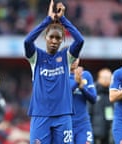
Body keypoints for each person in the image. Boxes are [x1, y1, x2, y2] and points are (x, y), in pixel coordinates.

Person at [23, 0, 84, 143]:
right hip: (40, 114)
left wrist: (62, 19)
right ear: (45, 38)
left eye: (58, 38)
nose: (54, 41)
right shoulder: (36, 57)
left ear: (62, 40)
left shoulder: (66, 57)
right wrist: (48, 20)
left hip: (63, 115)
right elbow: (27, 42)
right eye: (51, 37)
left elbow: (80, 41)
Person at [70, 58, 97, 144]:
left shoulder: (86, 75)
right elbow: (61, 96)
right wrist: (76, 83)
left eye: (76, 58)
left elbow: (94, 99)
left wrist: (82, 88)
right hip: (66, 124)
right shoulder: (60, 75)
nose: (74, 60)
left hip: (83, 124)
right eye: (71, 57)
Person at [89, 68, 114, 144]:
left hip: (110, 131)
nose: (107, 80)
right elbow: (88, 112)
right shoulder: (92, 91)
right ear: (99, 78)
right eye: (105, 78)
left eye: (109, 78)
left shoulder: (113, 93)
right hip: (96, 132)